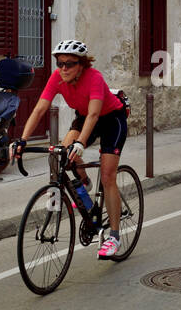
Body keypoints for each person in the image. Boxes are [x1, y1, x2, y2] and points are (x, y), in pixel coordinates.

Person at [10, 40, 128, 260]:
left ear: (81, 65)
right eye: (60, 63)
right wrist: (22, 140)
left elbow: (94, 116)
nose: (63, 68)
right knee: (60, 155)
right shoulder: (57, 78)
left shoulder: (94, 78)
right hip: (84, 117)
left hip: (111, 119)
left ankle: (113, 237)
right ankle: (84, 186)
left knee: (108, 175)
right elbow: (39, 109)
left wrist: (81, 143)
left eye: (70, 64)